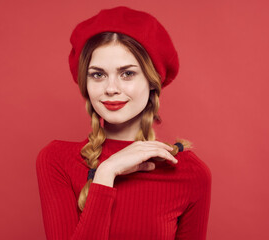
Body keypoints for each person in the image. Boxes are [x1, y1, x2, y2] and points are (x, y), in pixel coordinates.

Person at [36, 6, 211, 240]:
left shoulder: (189, 172)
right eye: (98, 75)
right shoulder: (57, 160)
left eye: (127, 73)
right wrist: (107, 172)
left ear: (152, 81)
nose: (111, 89)